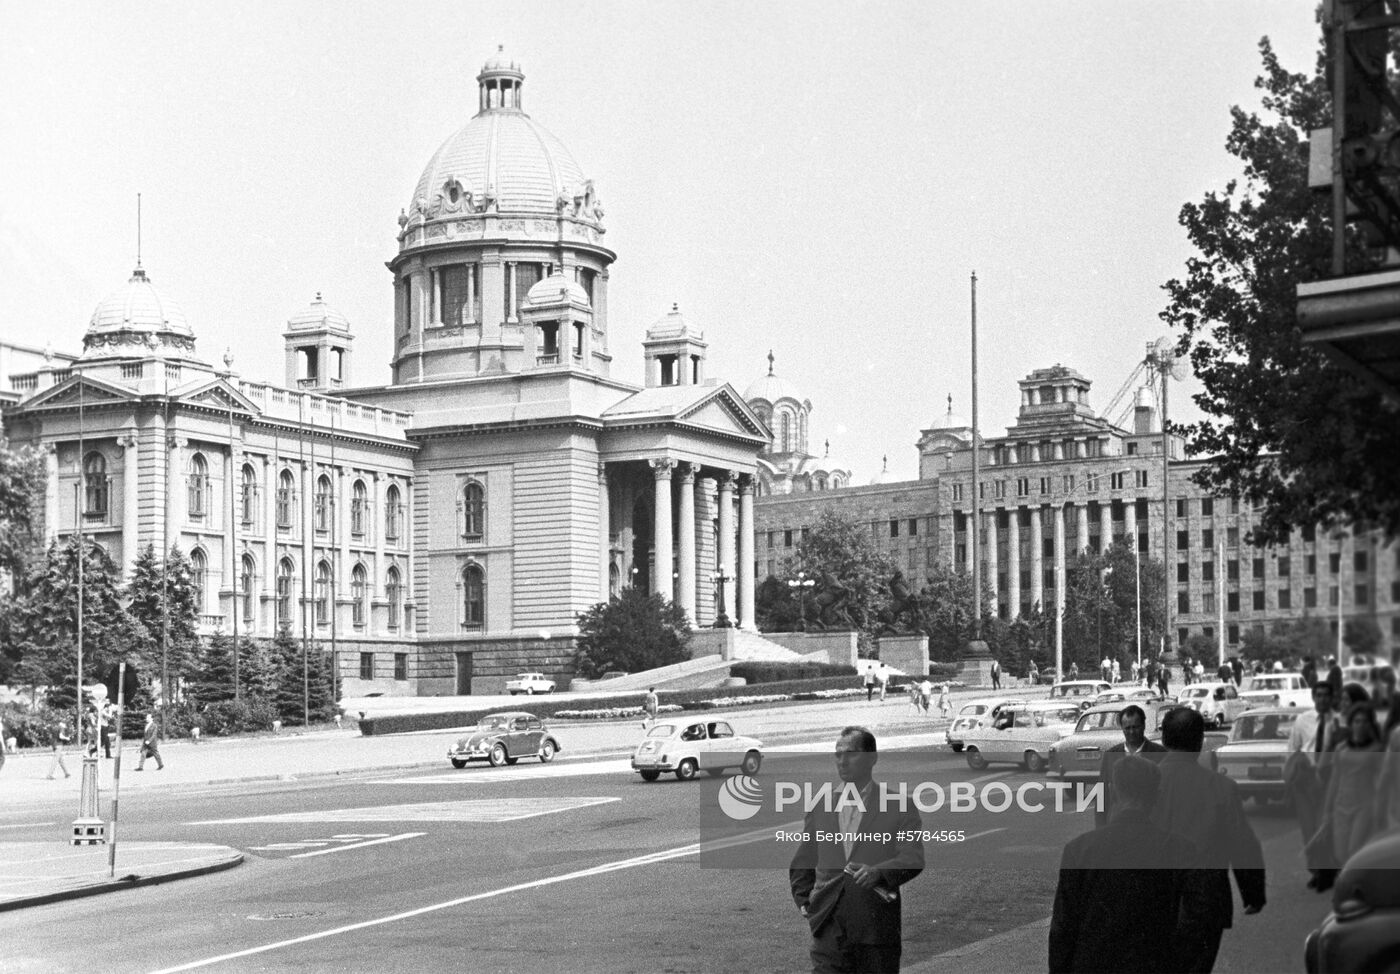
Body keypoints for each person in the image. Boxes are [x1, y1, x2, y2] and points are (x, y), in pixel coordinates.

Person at [1050, 756, 1210, 973]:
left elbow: (1063, 928)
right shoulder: (1181, 851)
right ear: (1156, 796)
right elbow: (1196, 924)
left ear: (1114, 793)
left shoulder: (1079, 851)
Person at [790, 726, 923, 974]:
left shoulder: (899, 805)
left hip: (875, 926)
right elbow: (805, 858)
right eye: (838, 754)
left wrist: (879, 872)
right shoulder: (822, 805)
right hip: (828, 925)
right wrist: (805, 901)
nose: (842, 761)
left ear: (872, 758)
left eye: (851, 754)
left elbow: (913, 858)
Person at [1149, 708, 1265, 973]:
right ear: (1200, 740)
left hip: (1153, 899)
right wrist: (1253, 892)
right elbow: (1242, 843)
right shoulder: (1222, 787)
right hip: (1206, 902)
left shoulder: (1144, 784)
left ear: (1164, 739)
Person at [1312, 702, 1384, 887]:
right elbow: (1335, 781)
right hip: (1341, 807)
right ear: (1351, 724)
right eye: (1357, 721)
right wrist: (1327, 812)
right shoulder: (1341, 748)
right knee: (1340, 853)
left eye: (1364, 722)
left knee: (1354, 849)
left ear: (1370, 725)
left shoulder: (1376, 749)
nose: (1360, 725)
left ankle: (1356, 890)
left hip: (1365, 806)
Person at [1285, 681, 1344, 890]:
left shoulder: (1339, 722)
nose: (1322, 699)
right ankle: (1316, 870)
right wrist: (1292, 778)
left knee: (1325, 826)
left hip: (1329, 778)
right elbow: (1293, 748)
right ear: (1313, 697)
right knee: (1308, 828)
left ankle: (1328, 869)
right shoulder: (1303, 720)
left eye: (1325, 696)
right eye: (1318, 695)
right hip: (1305, 779)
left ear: (1331, 698)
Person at [1095, 705, 1168, 828]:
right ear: (1122, 728)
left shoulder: (1160, 754)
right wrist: (1100, 828)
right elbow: (1101, 795)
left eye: (1135, 727)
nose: (1132, 732)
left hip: (1151, 826)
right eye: (1127, 728)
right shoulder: (1110, 756)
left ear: (1144, 725)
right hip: (1116, 826)